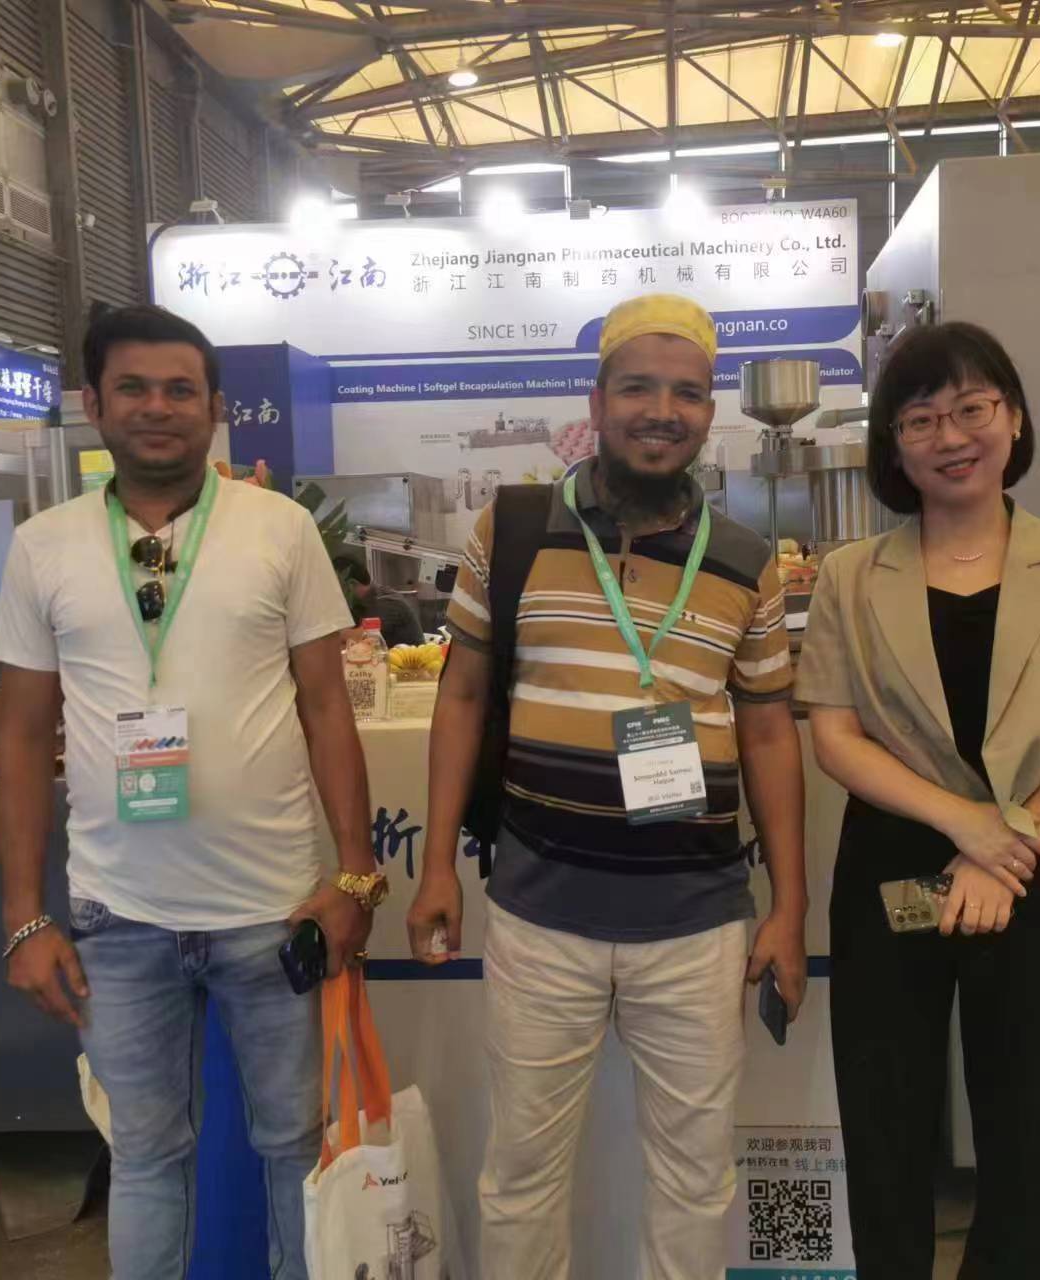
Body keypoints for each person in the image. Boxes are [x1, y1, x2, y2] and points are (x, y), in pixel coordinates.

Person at [407, 294, 809, 1280]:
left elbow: (767, 732)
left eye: (687, 392)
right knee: (521, 1171)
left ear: (708, 411)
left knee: (694, 1178)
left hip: (696, 919)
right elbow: (462, 694)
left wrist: (791, 907)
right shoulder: (511, 530)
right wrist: (435, 867)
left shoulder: (746, 561)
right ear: (596, 402)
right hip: (542, 911)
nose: (661, 411)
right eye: (637, 387)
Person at [0, 304, 387, 1280]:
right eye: (132, 388)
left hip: (274, 909)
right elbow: (22, 735)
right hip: (118, 916)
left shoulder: (280, 530)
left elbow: (326, 706)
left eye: (180, 389)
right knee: (145, 1154)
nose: (157, 407)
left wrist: (354, 875)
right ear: (94, 405)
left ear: (215, 408)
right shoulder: (43, 545)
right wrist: (23, 918)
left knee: (293, 1144)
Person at [794, 321, 1040, 1279]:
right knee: (885, 1116)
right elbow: (835, 737)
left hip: (1039, 867)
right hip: (894, 869)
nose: (951, 436)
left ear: (1015, 419)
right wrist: (967, 825)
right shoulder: (847, 576)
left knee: (1029, 1121)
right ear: (894, 445)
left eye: (972, 408)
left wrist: (1008, 841)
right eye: (920, 419)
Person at [332, 550, 425, 648]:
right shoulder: (360, 603)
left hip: (411, 657)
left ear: (352, 584)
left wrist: (335, 633)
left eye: (336, 586)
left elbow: (359, 637)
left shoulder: (386, 603)